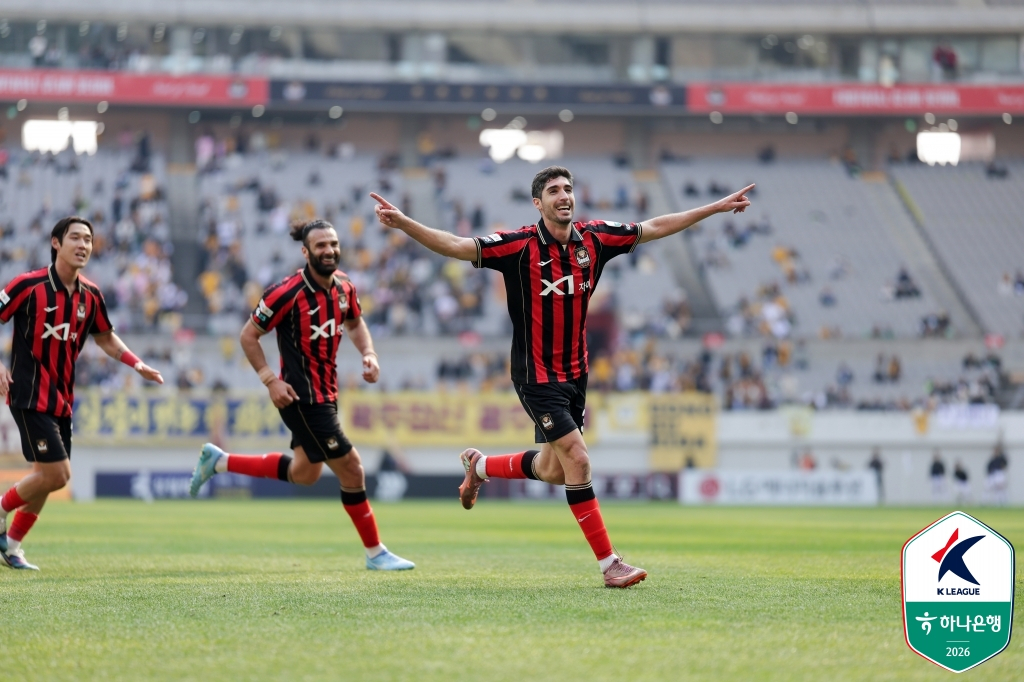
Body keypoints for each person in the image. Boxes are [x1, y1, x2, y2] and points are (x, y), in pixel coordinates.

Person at [371, 166, 752, 588]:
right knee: (579, 459)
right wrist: (404, 223)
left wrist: (714, 208)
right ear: (538, 203)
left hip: (576, 373)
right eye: (553, 190)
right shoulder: (518, 246)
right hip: (535, 375)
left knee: (554, 469)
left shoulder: (595, 239)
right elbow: (458, 246)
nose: (564, 195)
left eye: (568, 188)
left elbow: (655, 226)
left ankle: (479, 466)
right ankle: (610, 564)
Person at [189, 220, 413, 571]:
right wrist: (269, 380)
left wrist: (369, 353)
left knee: (305, 473)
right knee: (352, 469)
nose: (329, 250)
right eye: (321, 245)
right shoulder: (286, 293)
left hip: (327, 394)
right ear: (305, 252)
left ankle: (219, 461)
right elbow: (248, 335)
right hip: (302, 399)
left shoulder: (344, 287)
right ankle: (375, 553)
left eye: (333, 244)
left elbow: (355, 323)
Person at [0, 217, 164, 570]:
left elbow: (105, 337)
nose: (83, 245)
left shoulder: (91, 295)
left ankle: (11, 546)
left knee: (45, 479)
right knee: (58, 475)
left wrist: (137, 364)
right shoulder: (27, 285)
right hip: (29, 394)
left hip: (62, 400)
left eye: (88, 239)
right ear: (56, 243)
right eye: (75, 237)